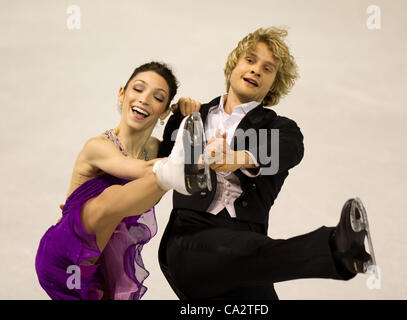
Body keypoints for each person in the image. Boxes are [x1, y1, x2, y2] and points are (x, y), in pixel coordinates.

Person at [157, 27, 376, 300]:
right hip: (189, 238)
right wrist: (166, 110)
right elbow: (154, 160)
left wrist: (238, 158)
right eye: (250, 60)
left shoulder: (281, 129)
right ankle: (337, 247)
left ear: (274, 83)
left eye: (267, 68)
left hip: (249, 248)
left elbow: (290, 150)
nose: (256, 70)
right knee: (251, 251)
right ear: (233, 64)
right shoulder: (191, 116)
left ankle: (341, 252)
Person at [35, 62, 200, 300]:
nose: (144, 99)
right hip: (65, 253)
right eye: (138, 89)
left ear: (164, 111)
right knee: (114, 193)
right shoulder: (99, 147)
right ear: (122, 93)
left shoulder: (154, 150)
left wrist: (185, 116)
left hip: (101, 262)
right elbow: (137, 170)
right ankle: (174, 173)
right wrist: (177, 165)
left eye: (158, 97)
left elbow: (152, 181)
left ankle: (180, 168)